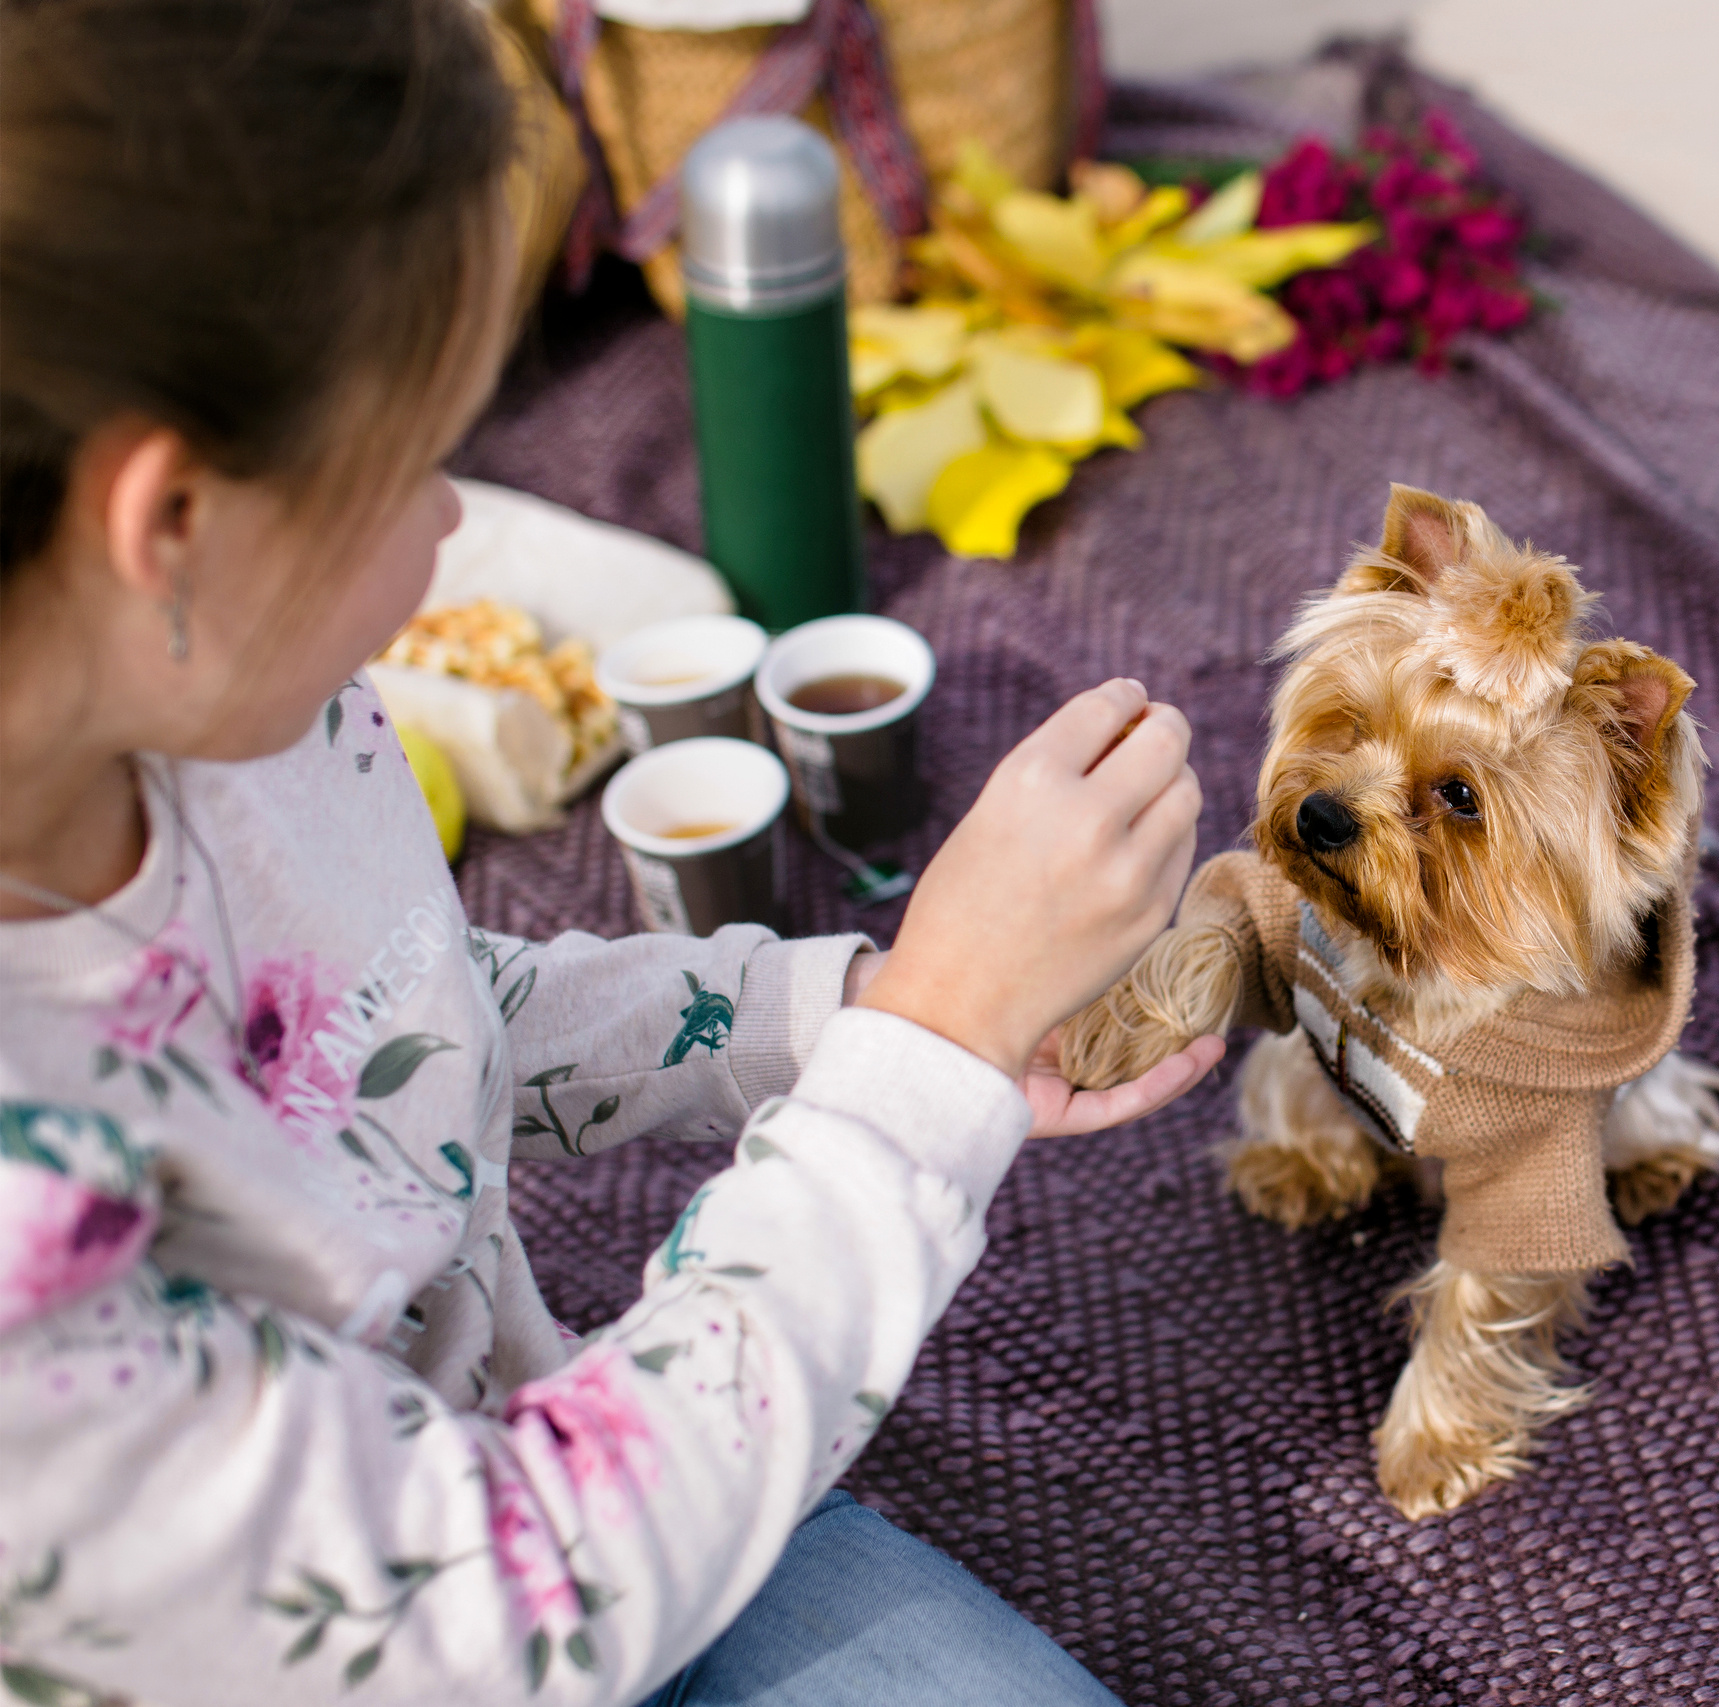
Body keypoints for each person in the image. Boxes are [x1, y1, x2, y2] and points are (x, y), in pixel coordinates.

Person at [0, 0, 1223, 1701]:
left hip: (537, 1465)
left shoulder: (232, 725)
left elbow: (393, 1018)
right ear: (172, 528)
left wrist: (837, 1010)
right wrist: (922, 1064)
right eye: (418, 462)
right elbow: (506, 1607)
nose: (451, 530)